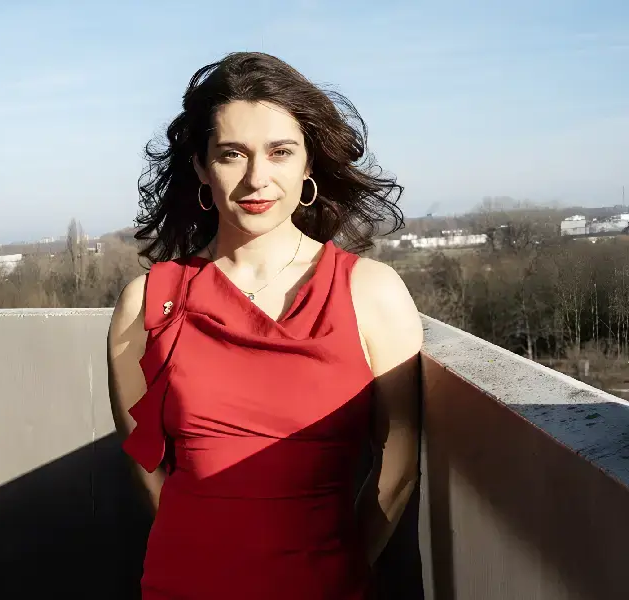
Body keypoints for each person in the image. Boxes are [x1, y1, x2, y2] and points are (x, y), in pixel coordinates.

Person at [108, 52, 423, 600]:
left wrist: (335, 571)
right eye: (232, 154)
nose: (257, 178)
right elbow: (145, 466)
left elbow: (397, 470)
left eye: (281, 152)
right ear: (203, 169)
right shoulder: (147, 302)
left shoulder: (371, 293)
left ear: (308, 165)